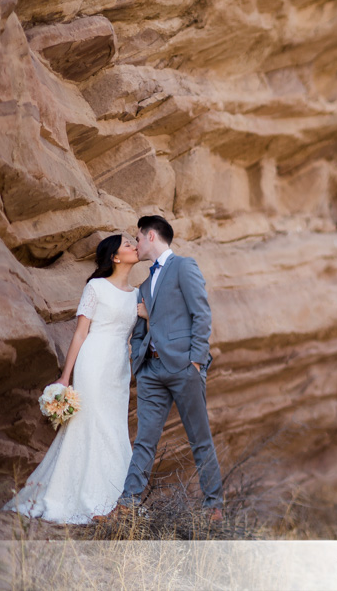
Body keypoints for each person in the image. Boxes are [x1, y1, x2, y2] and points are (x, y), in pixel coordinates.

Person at [3, 235, 142, 523]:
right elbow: (80, 333)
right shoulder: (96, 287)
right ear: (115, 257)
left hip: (118, 367)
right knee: (90, 424)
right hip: (93, 361)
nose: (133, 246)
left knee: (114, 427)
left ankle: (119, 501)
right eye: (127, 244)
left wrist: (149, 315)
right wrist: (65, 377)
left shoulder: (137, 294)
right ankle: (89, 499)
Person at [98, 215, 223, 522]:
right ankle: (125, 507)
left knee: (200, 438)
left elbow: (201, 314)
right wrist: (139, 363)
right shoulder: (143, 284)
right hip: (151, 373)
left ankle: (214, 508)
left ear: (151, 236)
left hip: (184, 368)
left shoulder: (184, 266)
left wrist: (195, 361)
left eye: (137, 239)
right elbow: (142, 326)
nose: (136, 244)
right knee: (144, 440)